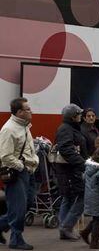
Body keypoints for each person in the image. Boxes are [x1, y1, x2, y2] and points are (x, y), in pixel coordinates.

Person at [0, 98, 39, 250]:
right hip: (17, 173)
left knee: (27, 203)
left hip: (28, 171)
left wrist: (33, 160)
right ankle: (16, 239)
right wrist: (21, 166)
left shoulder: (24, 127)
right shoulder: (9, 129)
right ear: (19, 112)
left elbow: (29, 148)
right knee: (19, 208)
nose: (31, 111)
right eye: (28, 109)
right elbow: (5, 156)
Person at [55, 103, 88, 241]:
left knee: (67, 197)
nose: (81, 116)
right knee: (82, 197)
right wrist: (82, 162)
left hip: (68, 169)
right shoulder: (66, 129)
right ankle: (67, 227)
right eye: (79, 114)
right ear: (73, 116)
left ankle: (64, 229)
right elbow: (66, 149)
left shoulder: (69, 128)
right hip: (70, 170)